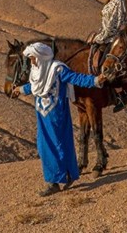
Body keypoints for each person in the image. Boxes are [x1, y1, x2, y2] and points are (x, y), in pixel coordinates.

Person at [12, 42, 107, 196]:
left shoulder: (57, 69)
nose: (32, 62)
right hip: (42, 115)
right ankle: (67, 175)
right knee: (45, 145)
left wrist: (95, 81)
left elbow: (76, 78)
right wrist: (21, 89)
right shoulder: (37, 71)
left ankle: (54, 182)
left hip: (57, 114)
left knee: (56, 145)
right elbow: (34, 86)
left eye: (33, 58)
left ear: (41, 57)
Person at [87, 0, 127, 112]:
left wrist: (99, 38)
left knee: (107, 64)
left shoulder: (120, 1)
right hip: (105, 35)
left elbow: (114, 25)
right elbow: (105, 24)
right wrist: (96, 35)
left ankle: (120, 94)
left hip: (113, 37)